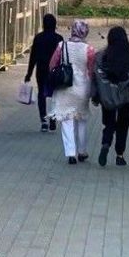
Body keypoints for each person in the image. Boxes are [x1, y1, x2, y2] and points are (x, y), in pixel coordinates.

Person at [47, 19, 95, 164]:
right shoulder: (90, 49)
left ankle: (70, 153)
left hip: (65, 87)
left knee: (67, 121)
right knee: (82, 121)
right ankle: (82, 151)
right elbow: (91, 71)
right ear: (85, 32)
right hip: (82, 88)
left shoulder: (61, 46)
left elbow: (52, 65)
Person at [94, 27, 129, 167]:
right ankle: (120, 155)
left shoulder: (101, 55)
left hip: (107, 96)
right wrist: (124, 83)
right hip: (125, 96)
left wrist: (98, 94)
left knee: (108, 123)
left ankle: (106, 144)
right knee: (123, 125)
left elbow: (96, 76)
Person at [24, 13, 63, 131]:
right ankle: (53, 117)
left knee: (42, 93)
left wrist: (29, 73)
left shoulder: (38, 38)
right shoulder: (59, 38)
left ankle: (43, 120)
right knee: (55, 94)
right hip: (55, 71)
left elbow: (33, 57)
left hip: (41, 70)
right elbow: (62, 56)